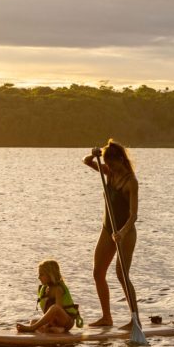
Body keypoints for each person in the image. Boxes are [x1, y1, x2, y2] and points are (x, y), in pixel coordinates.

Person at [83, 139, 140, 328]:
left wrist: (122, 233)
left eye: (112, 164)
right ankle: (107, 318)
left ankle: (135, 320)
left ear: (121, 160)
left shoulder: (131, 182)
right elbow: (86, 161)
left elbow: (133, 215)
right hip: (108, 229)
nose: (109, 168)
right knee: (98, 272)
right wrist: (94, 154)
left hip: (126, 232)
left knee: (121, 274)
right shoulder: (109, 173)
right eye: (107, 165)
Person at [16, 259, 82, 333]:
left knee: (55, 307)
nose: (39, 277)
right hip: (54, 322)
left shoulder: (58, 289)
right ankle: (53, 329)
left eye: (41, 274)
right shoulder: (45, 289)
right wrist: (47, 324)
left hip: (66, 321)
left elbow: (57, 310)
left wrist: (43, 325)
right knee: (33, 321)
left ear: (50, 275)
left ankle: (34, 328)